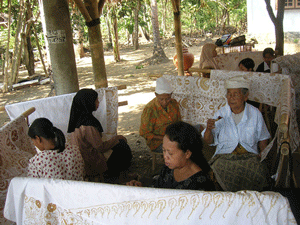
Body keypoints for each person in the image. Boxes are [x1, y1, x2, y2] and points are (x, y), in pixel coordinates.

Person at [202, 76, 271, 192]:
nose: (231, 97)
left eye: (235, 94)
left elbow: (263, 137)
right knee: (217, 169)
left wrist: (263, 155)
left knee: (259, 170)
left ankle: (251, 202)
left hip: (249, 156)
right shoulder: (221, 114)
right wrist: (208, 129)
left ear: (245, 96)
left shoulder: (255, 114)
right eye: (229, 94)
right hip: (225, 156)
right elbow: (208, 141)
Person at [67, 88, 132, 183]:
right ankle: (117, 175)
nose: (98, 103)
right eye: (96, 101)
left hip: (81, 157)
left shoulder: (77, 118)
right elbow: (100, 147)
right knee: (122, 147)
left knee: (118, 143)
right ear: (87, 102)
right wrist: (117, 138)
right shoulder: (87, 125)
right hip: (90, 162)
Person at [127, 121, 215, 191]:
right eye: (163, 150)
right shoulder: (169, 168)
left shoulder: (200, 185)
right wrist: (142, 188)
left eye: (170, 153)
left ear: (187, 154)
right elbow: (158, 188)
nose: (165, 156)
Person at [140, 77, 181, 154]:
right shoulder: (150, 109)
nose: (165, 102)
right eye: (161, 99)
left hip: (173, 138)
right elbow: (145, 133)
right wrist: (165, 139)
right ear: (156, 95)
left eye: (168, 98)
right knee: (178, 149)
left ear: (171, 95)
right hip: (157, 143)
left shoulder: (174, 104)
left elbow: (179, 123)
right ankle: (173, 164)